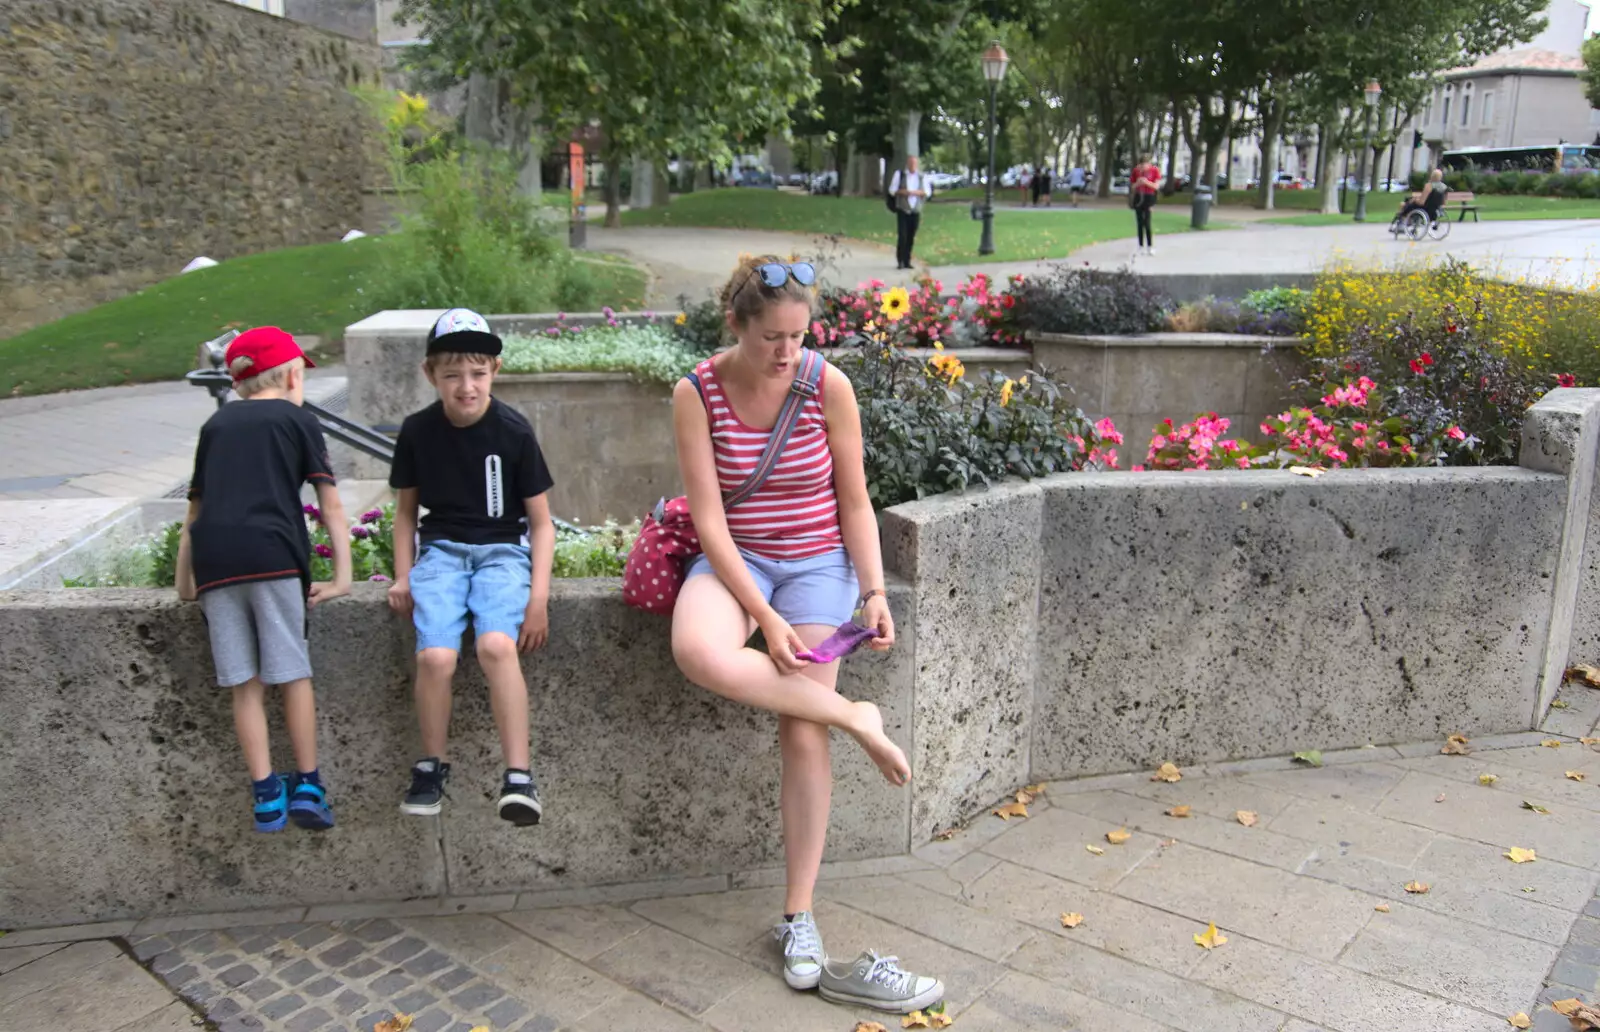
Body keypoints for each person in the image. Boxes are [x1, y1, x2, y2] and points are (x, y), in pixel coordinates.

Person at [669, 257, 943, 1015]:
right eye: (770, 339)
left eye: (798, 336)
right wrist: (763, 615)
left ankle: (799, 918)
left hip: (820, 563)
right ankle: (857, 716)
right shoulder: (695, 392)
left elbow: (855, 501)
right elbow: (710, 519)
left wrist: (874, 590)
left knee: (800, 728)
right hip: (740, 561)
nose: (787, 353)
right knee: (696, 650)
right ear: (736, 325)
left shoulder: (827, 384)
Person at [176, 326, 352, 834]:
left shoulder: (216, 427)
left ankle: (265, 792)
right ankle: (308, 783)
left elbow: (195, 510)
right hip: (272, 556)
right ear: (293, 373)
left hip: (216, 562)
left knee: (244, 683)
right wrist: (341, 579)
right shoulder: (298, 420)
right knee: (291, 673)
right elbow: (331, 505)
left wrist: (185, 582)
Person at [386, 308, 557, 826]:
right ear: (430, 374)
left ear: (495, 371)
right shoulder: (417, 431)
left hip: (503, 553)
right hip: (441, 554)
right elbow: (405, 513)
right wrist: (402, 574)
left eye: (478, 373)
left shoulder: (513, 432)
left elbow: (542, 524)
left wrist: (539, 600)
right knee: (436, 657)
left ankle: (519, 778)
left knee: (495, 645)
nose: (466, 386)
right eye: (453, 374)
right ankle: (432, 766)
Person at [887, 156, 932, 271]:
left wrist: (917, 193)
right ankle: (900, 260)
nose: (912, 166)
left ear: (917, 165)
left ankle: (907, 260)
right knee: (902, 235)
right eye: (910, 163)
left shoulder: (922, 176)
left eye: (914, 164)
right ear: (907, 164)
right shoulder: (900, 175)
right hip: (903, 208)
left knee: (911, 236)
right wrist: (904, 192)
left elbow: (927, 192)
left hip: (915, 209)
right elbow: (892, 190)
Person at [1130, 155, 1161, 256]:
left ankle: (1150, 246)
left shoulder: (1155, 171)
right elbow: (1132, 186)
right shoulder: (1136, 171)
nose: (1142, 168)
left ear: (1149, 164)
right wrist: (1138, 183)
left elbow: (1156, 186)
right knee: (1139, 222)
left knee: (1147, 222)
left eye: (1144, 166)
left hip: (1149, 196)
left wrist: (1147, 182)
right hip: (1139, 196)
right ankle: (1140, 246)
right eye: (1140, 166)